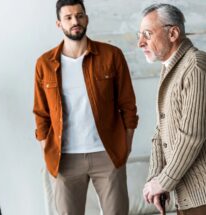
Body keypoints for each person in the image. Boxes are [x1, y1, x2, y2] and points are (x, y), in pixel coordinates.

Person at [33, 0, 138, 214]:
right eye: (68, 17)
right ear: (58, 23)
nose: (75, 22)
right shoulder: (45, 63)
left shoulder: (111, 55)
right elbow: (41, 113)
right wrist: (46, 149)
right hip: (65, 159)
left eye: (80, 16)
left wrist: (126, 145)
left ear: (86, 18)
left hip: (107, 154)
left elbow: (127, 105)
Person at [138, 3, 206, 215]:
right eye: (140, 35)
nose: (141, 42)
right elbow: (161, 132)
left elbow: (191, 135)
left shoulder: (197, 66)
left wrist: (164, 180)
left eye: (147, 34)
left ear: (173, 33)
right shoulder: (170, 70)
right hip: (185, 192)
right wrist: (156, 179)